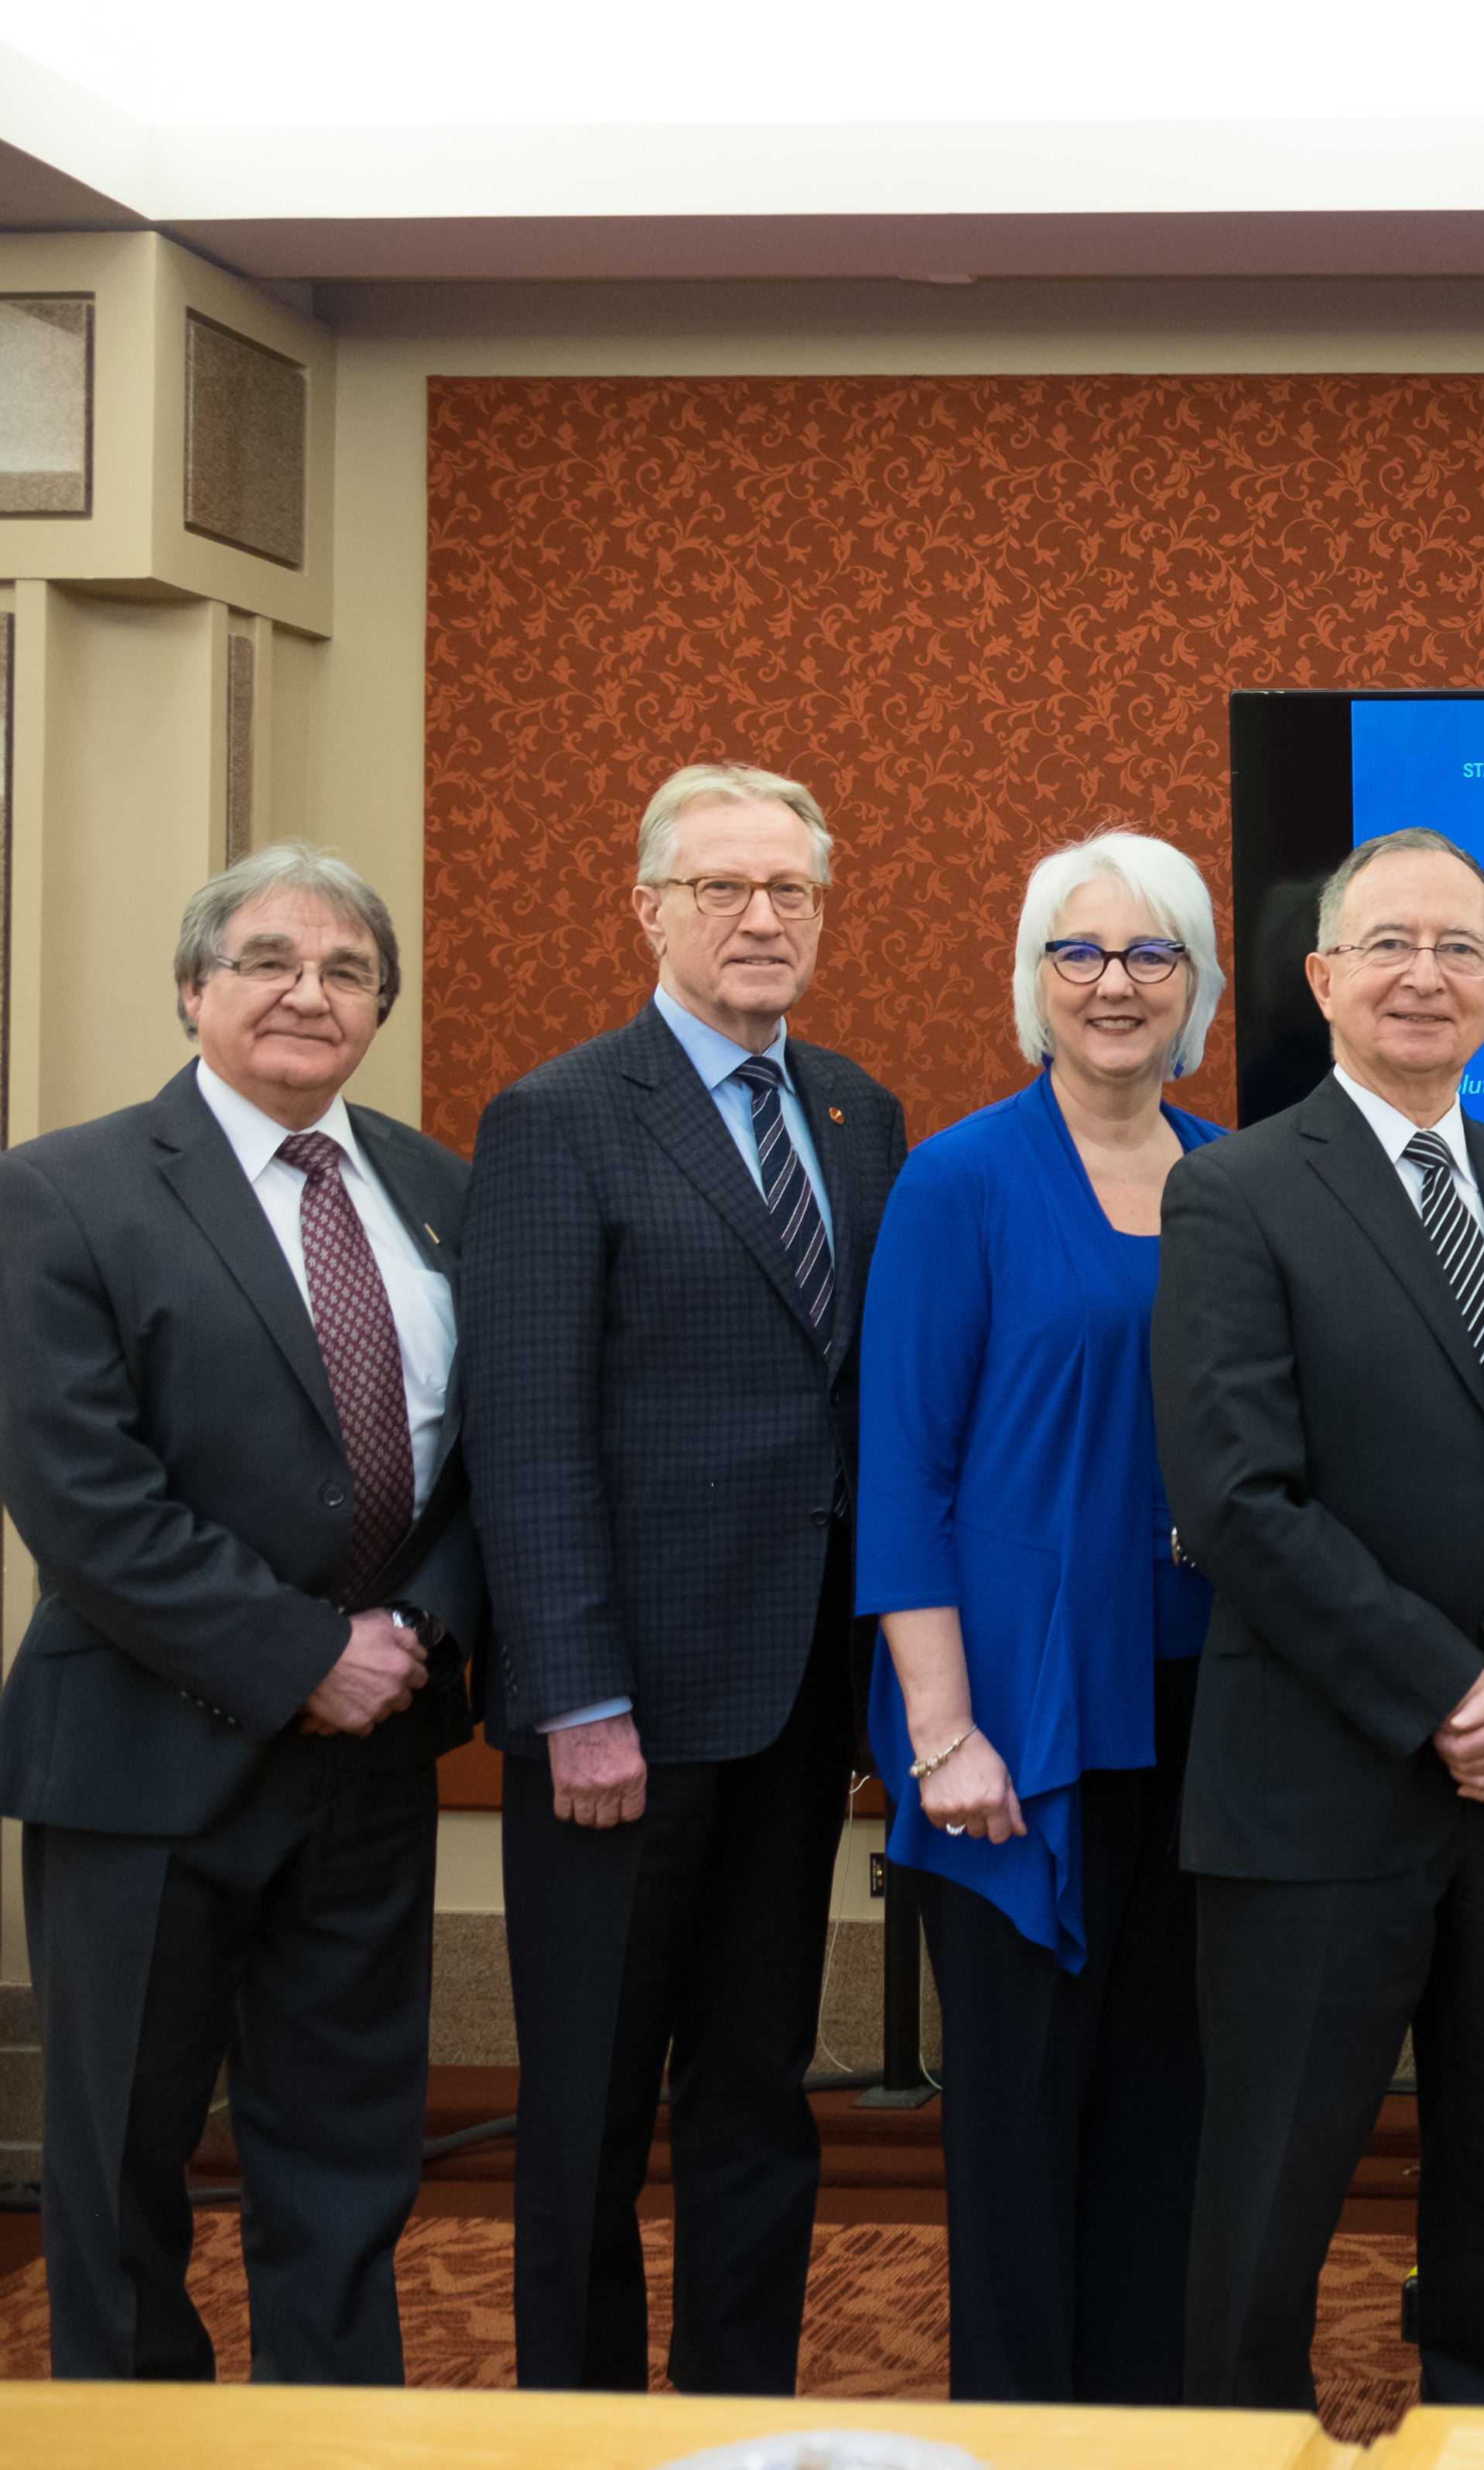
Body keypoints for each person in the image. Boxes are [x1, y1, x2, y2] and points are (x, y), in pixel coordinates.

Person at [1155, 826, 1484, 2414]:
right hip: (1320, 1785)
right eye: (1389, 944)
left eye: (1459, 948)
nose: (1424, 975)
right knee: (1269, 2193)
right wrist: (1456, 1693)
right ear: (1321, 979)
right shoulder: (1234, 1195)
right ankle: (1242, 2451)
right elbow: (1239, 1501)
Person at [0, 847, 479, 2382]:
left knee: (347, 2172)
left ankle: (332, 2436)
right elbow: (82, 1499)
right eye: (268, 959)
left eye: (345, 971)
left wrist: (413, 1638)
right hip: (148, 1762)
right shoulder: (60, 1192)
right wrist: (301, 1658)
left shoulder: (440, 1188)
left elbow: (491, 1455)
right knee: (124, 2174)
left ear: (379, 1009)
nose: (306, 993)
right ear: (195, 990)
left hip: (374, 1760)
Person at [463, 761, 908, 2393]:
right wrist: (578, 1699)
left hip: (794, 1702)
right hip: (619, 1719)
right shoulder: (559, 1116)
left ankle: (737, 2408)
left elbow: (863, 1405)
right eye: (722, 888)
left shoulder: (861, 1114)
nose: (760, 918)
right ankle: (572, 2425)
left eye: (789, 890)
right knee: (585, 2105)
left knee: (756, 2092)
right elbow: (525, 1431)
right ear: (648, 907)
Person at [854, 832, 1229, 2402]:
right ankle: (1022, 2429)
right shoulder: (959, 1179)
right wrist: (941, 1732)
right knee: (1018, 2115)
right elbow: (902, 1468)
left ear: (1199, 985)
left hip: (1212, 1709)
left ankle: (1151, 2427)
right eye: (1080, 953)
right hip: (1014, 1723)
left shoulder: (1238, 1175)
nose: (1115, 985)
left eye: (1152, 955)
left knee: (1172, 2103)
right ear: (1033, 981)